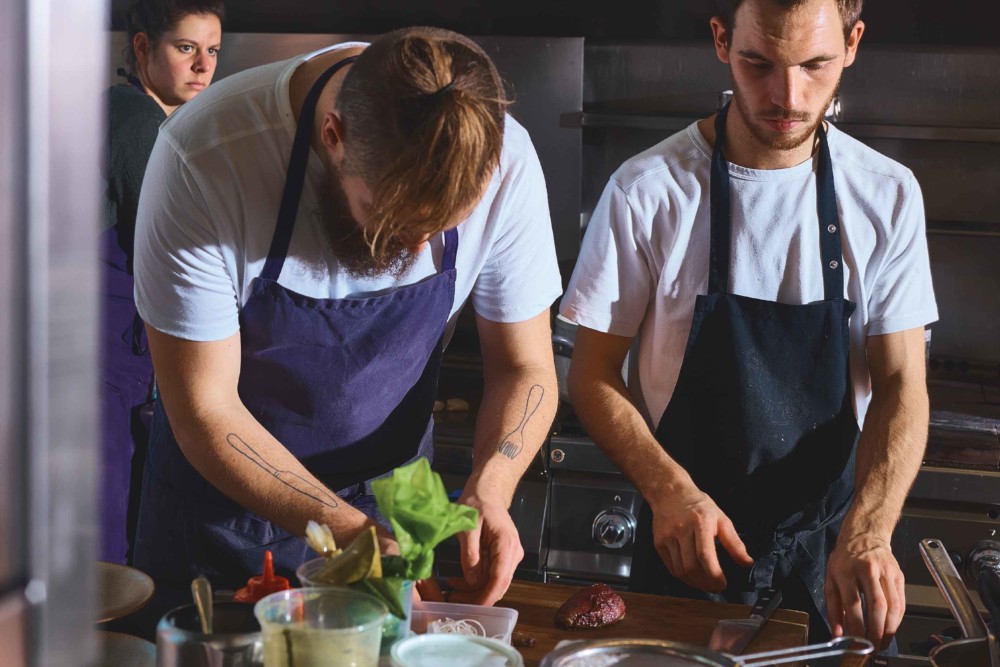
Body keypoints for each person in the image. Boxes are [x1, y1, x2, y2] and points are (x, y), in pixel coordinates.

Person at [131, 27, 561, 607]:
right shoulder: (208, 158)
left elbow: (525, 365)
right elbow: (204, 409)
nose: (414, 252)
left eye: (439, 228)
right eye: (390, 224)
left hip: (395, 506)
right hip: (222, 524)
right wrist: (352, 532)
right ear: (333, 136)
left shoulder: (508, 159)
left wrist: (493, 485)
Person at [560, 0, 936, 651]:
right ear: (720, 40)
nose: (786, 95)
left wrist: (871, 529)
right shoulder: (646, 191)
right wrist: (668, 488)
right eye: (758, 64)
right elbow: (591, 374)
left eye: (814, 64)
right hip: (688, 559)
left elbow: (903, 381)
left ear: (852, 43)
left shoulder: (887, 194)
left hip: (834, 567)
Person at [101, 0, 223, 564]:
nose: (203, 66)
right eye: (185, 48)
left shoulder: (130, 114)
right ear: (143, 48)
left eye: (212, 51)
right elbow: (170, 247)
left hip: (107, 362)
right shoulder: (136, 122)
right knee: (101, 536)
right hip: (95, 362)